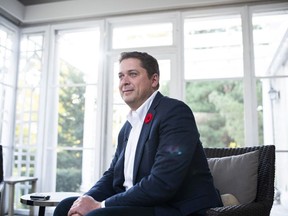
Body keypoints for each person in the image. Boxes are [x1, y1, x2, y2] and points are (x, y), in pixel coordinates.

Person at [53, 51, 222, 216]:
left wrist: (100, 205)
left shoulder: (175, 112)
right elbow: (112, 175)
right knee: (65, 207)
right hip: (139, 204)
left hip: (175, 207)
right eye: (121, 76)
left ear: (154, 80)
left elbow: (163, 183)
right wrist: (85, 200)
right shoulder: (127, 127)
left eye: (132, 74)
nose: (124, 82)